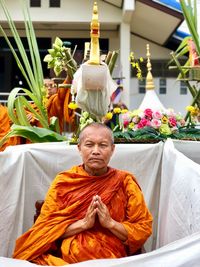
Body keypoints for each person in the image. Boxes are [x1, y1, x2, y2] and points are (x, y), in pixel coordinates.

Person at [13, 122, 153, 265]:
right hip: (70, 255)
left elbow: (142, 229)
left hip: (111, 257)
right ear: (79, 148)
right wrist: (83, 224)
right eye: (89, 145)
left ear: (112, 149)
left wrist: (110, 223)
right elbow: (45, 230)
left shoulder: (125, 182)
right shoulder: (65, 182)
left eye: (103, 145)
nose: (96, 151)